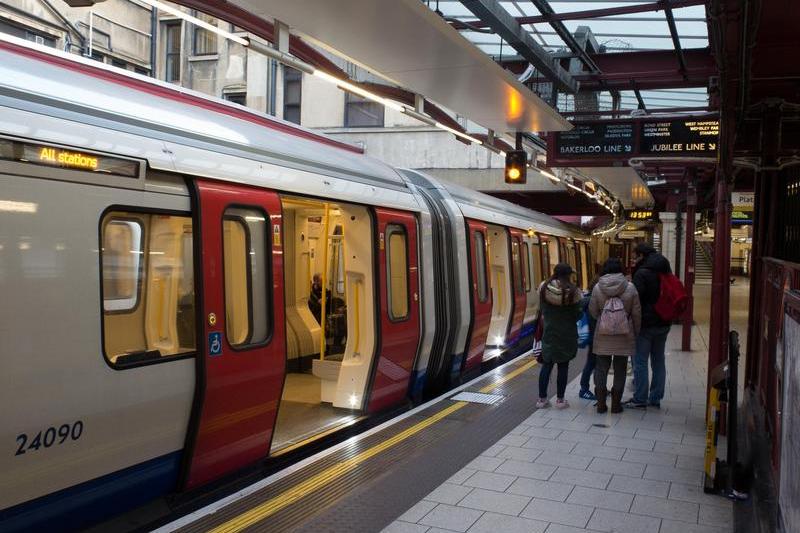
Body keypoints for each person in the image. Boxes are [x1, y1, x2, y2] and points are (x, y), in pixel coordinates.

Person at [589, 258, 642, 413]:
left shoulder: (598, 287)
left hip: (603, 335)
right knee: (620, 369)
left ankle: (600, 403)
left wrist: (603, 319)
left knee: (601, 368)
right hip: (624, 335)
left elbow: (592, 311)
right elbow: (637, 313)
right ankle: (616, 405)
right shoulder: (631, 287)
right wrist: (635, 331)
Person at [625, 243, 672, 409]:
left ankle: (640, 398)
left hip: (645, 324)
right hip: (664, 321)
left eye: (635, 255)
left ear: (642, 255)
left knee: (640, 361)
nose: (633, 259)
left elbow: (636, 300)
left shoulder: (642, 273)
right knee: (659, 360)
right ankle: (655, 398)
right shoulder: (665, 268)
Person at [536, 263, 583, 409]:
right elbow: (578, 314)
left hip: (549, 333)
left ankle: (542, 399)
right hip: (567, 334)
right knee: (563, 367)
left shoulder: (544, 288)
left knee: (546, 366)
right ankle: (560, 400)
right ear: (568, 275)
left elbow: (541, 309)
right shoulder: (573, 292)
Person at [578, 278, 599, 400]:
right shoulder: (593, 300)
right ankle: (584, 389)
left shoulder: (585, 299)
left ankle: (597, 388)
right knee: (592, 363)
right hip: (594, 337)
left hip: (592, 336)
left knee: (594, 363)